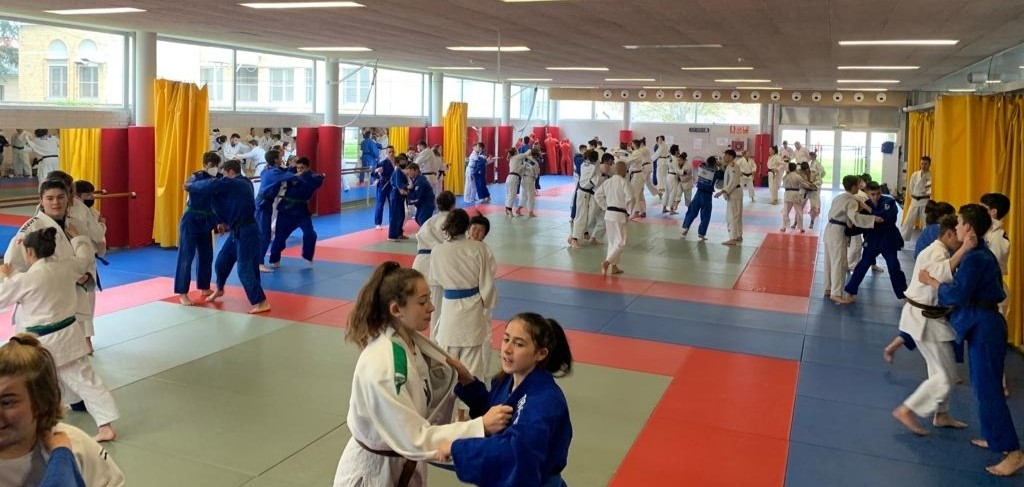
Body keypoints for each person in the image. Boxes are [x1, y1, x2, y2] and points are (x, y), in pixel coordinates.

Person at [333, 262, 512, 486]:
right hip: (374, 474)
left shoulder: (413, 344)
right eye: (422, 301)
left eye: (429, 299)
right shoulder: (384, 366)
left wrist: (467, 383)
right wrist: (479, 426)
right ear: (396, 310)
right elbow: (414, 438)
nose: (432, 307)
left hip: (403, 465)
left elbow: (425, 409)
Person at [919, 204, 1024, 477]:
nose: (956, 227)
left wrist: (932, 282)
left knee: (989, 390)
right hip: (981, 322)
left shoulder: (977, 258)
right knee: (982, 386)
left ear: (968, 228)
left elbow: (957, 293)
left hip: (985, 324)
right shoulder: (976, 253)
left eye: (959, 223)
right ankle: (995, 437)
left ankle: (1013, 452)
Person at [0, 228, 120, 443]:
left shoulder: (26, 279)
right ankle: (100, 422)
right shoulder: (66, 266)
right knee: (81, 379)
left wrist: (4, 276)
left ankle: (102, 427)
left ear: (29, 252)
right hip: (69, 335)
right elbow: (84, 259)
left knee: (37, 382)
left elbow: (3, 297)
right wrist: (79, 238)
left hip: (43, 343)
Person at [436, 313, 573, 486]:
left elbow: (515, 453)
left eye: (518, 344)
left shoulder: (544, 401)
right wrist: (468, 383)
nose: (507, 349)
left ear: (540, 353)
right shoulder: (508, 379)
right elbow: (496, 415)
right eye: (506, 339)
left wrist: (458, 448)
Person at [0, 334, 125, 486]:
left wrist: (62, 455)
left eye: (7, 402)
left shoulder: (76, 445)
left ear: (41, 402)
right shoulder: (64, 450)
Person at [891, 215, 968, 435]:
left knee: (940, 372)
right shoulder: (936, 253)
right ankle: (907, 409)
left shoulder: (939, 251)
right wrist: (965, 250)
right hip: (924, 319)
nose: (961, 240)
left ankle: (941, 414)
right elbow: (938, 275)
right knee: (946, 377)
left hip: (927, 317)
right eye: (958, 236)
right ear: (949, 234)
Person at [430, 210, 498, 417]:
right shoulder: (479, 248)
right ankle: (465, 414)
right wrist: (487, 304)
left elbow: (435, 279)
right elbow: (487, 283)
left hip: (449, 309)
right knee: (472, 367)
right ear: (467, 227)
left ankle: (441, 413)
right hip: (473, 310)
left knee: (447, 364)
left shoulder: (437, 250)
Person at [883, 200, 956, 362]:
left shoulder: (929, 231)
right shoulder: (938, 237)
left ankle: (893, 346)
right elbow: (944, 265)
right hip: (928, 286)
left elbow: (918, 255)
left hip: (921, 282)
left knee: (917, 326)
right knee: (927, 326)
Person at [199, 160, 271, 314]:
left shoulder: (241, 183)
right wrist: (220, 221)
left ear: (231, 172)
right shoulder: (235, 186)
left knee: (245, 269)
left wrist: (193, 185)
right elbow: (222, 201)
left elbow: (215, 185)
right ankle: (219, 288)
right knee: (221, 261)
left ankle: (261, 302)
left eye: (225, 174)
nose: (224, 177)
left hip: (248, 231)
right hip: (236, 232)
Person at [843, 181, 908, 303]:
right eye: (872, 194)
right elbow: (860, 223)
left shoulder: (889, 202)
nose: (876, 197)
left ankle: (904, 295)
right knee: (862, 265)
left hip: (888, 239)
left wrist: (869, 209)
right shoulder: (866, 205)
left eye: (878, 193)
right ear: (867, 193)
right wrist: (848, 231)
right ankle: (850, 292)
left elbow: (885, 218)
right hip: (873, 239)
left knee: (894, 267)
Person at [175, 152, 221, 306]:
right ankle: (182, 293)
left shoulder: (218, 178)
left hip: (207, 220)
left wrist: (219, 221)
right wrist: (209, 183)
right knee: (186, 256)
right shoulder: (197, 177)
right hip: (191, 219)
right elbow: (186, 186)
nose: (214, 168)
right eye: (211, 165)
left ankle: (204, 287)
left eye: (216, 165)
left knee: (206, 255)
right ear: (205, 164)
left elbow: (218, 202)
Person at [823, 176, 879, 303]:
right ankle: (836, 293)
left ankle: (827, 288)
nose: (859, 187)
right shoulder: (851, 201)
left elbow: (847, 217)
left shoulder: (838, 197)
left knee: (829, 261)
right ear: (854, 187)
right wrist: (873, 219)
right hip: (838, 232)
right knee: (839, 263)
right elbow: (855, 218)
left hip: (829, 229)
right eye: (858, 185)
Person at [68, 179, 107, 353]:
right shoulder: (80, 212)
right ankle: (83, 340)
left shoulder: (91, 212)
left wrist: (100, 224)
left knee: (83, 302)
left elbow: (98, 238)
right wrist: (102, 224)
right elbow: (98, 235)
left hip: (84, 260)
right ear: (76, 195)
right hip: (78, 260)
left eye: (92, 194)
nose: (91, 198)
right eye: (87, 195)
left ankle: (85, 340)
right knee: (84, 302)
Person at [980, 192, 1012, 397]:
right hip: (985, 292)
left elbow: (992, 261)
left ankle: (1001, 382)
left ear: (993, 212)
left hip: (996, 292)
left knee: (994, 341)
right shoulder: (986, 232)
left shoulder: (998, 237)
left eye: (983, 208)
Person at [412, 191, 456, 337]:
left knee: (416, 306)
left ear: (437, 205)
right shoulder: (451, 221)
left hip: (419, 264)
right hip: (435, 265)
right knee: (436, 309)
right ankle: (435, 343)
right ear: (453, 205)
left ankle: (412, 339)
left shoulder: (429, 221)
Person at [267, 157, 325, 268]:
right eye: (298, 168)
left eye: (302, 168)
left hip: (302, 211)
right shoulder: (291, 174)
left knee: (310, 234)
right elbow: (282, 172)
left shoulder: (312, 179)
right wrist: (293, 171)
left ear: (308, 168)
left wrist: (305, 176)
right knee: (280, 236)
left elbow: (317, 179)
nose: (299, 170)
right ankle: (275, 258)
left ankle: (308, 255)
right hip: (286, 210)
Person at [253, 149, 292, 273]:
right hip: (263, 204)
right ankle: (259, 263)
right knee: (264, 234)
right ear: (275, 160)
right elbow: (290, 176)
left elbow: (284, 171)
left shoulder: (268, 170)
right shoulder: (273, 172)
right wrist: (304, 173)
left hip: (265, 203)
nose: (282, 158)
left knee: (264, 233)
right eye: (280, 157)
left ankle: (257, 261)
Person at [595, 161, 633, 275]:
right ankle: (606, 262)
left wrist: (605, 206)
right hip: (619, 215)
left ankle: (614, 266)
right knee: (621, 241)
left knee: (612, 241)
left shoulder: (608, 181)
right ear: (625, 171)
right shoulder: (624, 182)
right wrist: (629, 212)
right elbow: (630, 198)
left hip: (609, 214)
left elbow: (597, 195)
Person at [681, 156, 723, 241]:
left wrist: (713, 164)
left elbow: (703, 163)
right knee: (706, 215)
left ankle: (686, 227)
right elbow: (722, 175)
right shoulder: (715, 173)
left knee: (692, 211)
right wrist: (720, 165)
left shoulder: (701, 167)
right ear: (715, 164)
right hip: (707, 195)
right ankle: (701, 234)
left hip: (698, 193)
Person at [568, 150, 599, 249]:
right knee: (581, 215)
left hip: (587, 192)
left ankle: (584, 233)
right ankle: (574, 239)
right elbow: (595, 180)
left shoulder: (583, 164)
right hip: (583, 192)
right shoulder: (592, 167)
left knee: (589, 215)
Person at [900, 156, 933, 241]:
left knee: (925, 222)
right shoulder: (915, 175)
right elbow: (910, 188)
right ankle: (901, 239)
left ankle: (927, 240)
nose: (923, 166)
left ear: (929, 164)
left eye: (925, 164)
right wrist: (914, 196)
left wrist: (925, 196)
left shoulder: (930, 176)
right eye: (922, 163)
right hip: (914, 200)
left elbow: (929, 190)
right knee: (908, 221)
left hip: (925, 201)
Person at [715, 150, 744, 246]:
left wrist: (722, 192)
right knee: (737, 216)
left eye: (726, 155)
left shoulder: (733, 166)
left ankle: (732, 238)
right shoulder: (731, 166)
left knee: (732, 216)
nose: (724, 157)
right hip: (735, 193)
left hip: (734, 193)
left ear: (731, 157)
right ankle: (738, 235)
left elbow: (733, 182)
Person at [781, 163, 812, 233]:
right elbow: (803, 184)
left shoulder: (785, 176)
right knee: (799, 211)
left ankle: (784, 227)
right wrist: (809, 186)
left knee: (785, 212)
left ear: (789, 168)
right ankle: (801, 227)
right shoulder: (798, 176)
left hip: (787, 194)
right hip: (795, 194)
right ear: (795, 168)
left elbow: (783, 185)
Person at [387, 155, 411, 241]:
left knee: (401, 215)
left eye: (404, 160)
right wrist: (407, 188)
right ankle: (392, 235)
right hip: (396, 195)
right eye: (402, 161)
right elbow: (399, 184)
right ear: (397, 163)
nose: (404, 162)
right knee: (395, 216)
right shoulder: (397, 171)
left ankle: (399, 233)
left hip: (400, 196)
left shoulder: (401, 172)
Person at [372, 146, 396, 230]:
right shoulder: (382, 163)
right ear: (386, 153)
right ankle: (378, 223)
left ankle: (392, 222)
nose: (391, 153)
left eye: (392, 152)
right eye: (389, 152)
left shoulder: (397, 162)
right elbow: (373, 173)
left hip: (392, 185)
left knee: (392, 204)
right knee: (380, 204)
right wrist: (376, 171)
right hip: (383, 185)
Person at [406, 163, 436, 227]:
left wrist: (408, 193)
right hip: (422, 205)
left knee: (422, 220)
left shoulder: (420, 181)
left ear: (416, 170)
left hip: (426, 204)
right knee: (417, 218)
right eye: (408, 172)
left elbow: (416, 197)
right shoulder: (416, 180)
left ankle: (428, 232)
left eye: (410, 171)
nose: (409, 173)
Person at [663, 146, 689, 214]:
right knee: (673, 193)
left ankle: (664, 207)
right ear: (676, 151)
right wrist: (683, 172)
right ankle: (671, 209)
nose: (679, 151)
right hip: (673, 177)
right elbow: (677, 170)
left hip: (668, 176)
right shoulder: (675, 159)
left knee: (667, 192)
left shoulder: (669, 157)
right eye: (678, 150)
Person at [806, 154, 824, 228]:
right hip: (812, 183)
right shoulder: (811, 163)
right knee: (815, 198)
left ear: (813, 156)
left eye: (809, 156)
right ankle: (814, 210)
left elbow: (822, 173)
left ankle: (817, 210)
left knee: (816, 197)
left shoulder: (817, 164)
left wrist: (817, 180)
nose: (809, 157)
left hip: (816, 183)